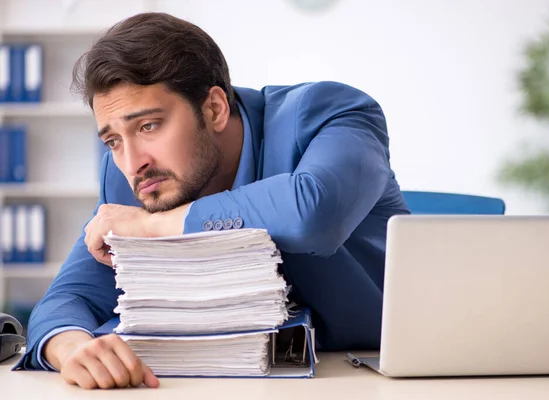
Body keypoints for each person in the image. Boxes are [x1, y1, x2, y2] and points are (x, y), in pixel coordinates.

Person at [13, 12, 409, 389]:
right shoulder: (135, 176)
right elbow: (71, 295)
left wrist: (153, 225)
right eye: (113, 140)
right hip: (217, 384)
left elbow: (313, 214)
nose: (133, 163)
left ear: (215, 108)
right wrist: (73, 348)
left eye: (149, 126)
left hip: (390, 373)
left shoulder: (331, 115)